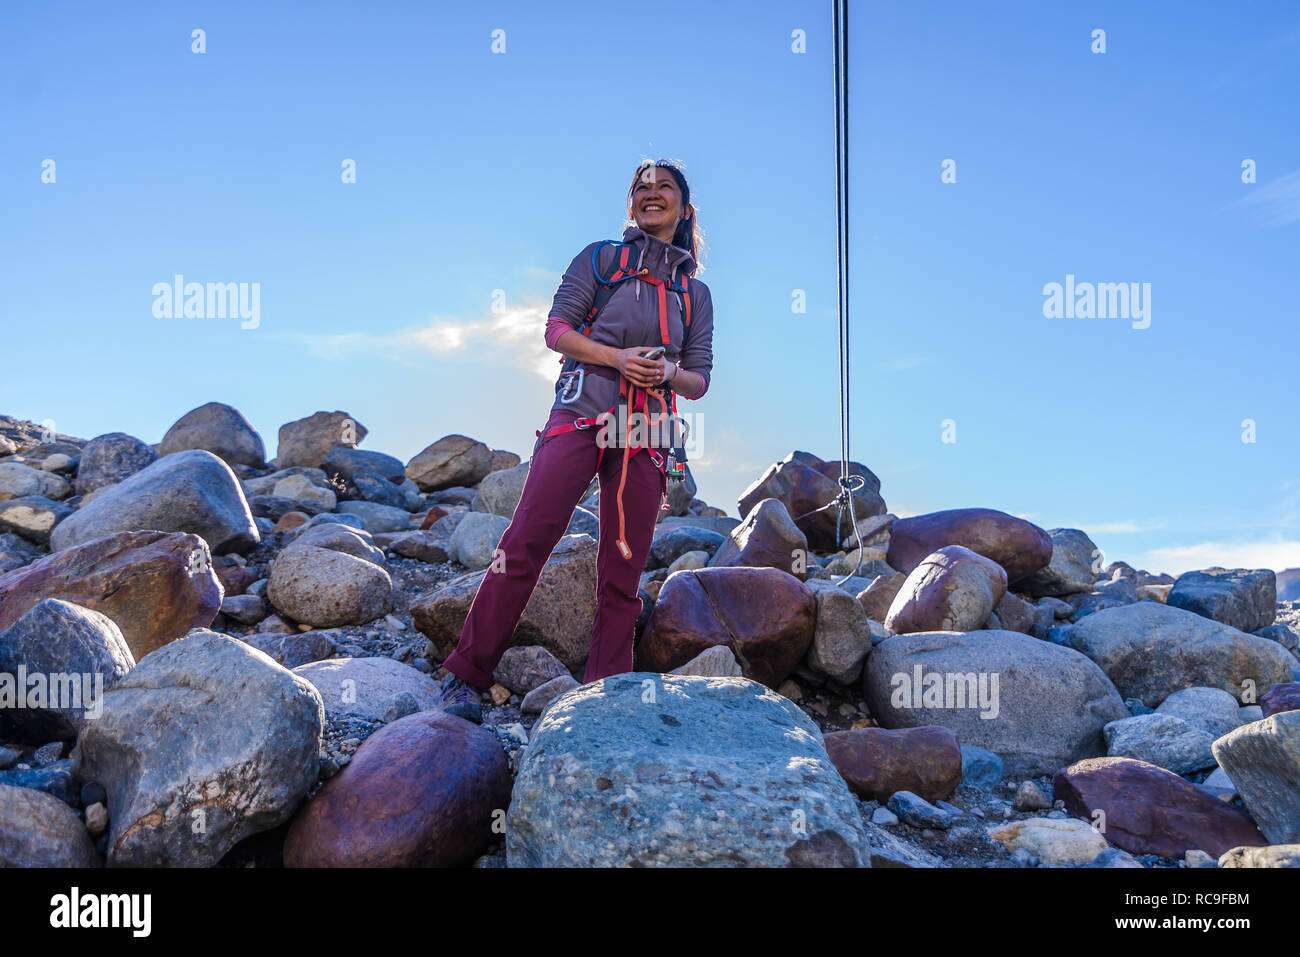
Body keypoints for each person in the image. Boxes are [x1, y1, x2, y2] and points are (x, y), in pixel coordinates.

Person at [436, 158, 715, 723]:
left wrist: (663, 374)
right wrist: (618, 358)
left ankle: (604, 697)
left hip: (647, 430)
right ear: (632, 204)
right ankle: (466, 672)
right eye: (641, 187)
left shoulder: (695, 293)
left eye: (664, 187)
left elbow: (700, 378)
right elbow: (556, 330)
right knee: (526, 541)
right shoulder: (600, 258)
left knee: (624, 567)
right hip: (581, 411)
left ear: (685, 208)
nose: (650, 193)